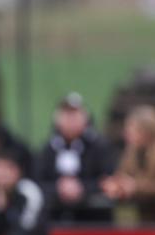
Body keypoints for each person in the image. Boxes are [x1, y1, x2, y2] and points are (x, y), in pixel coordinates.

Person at [34, 93, 113, 223]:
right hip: (56, 218)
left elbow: (108, 179)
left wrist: (82, 188)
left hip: (93, 219)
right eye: (66, 115)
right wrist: (58, 188)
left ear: (85, 118)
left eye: (75, 115)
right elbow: (38, 180)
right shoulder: (48, 149)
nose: (70, 121)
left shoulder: (99, 147)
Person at [101, 105, 155, 222]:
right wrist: (117, 185)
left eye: (132, 130)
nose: (126, 134)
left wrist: (135, 187)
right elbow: (123, 173)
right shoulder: (132, 151)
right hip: (139, 219)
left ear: (145, 132)